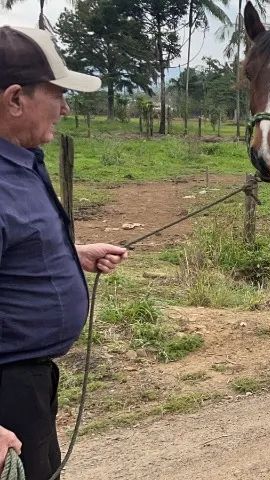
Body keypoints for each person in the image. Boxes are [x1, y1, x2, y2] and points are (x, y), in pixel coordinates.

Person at [0, 25, 129, 479]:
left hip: (28, 383)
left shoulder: (19, 160)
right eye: (57, 94)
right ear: (15, 99)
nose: (66, 108)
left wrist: (72, 254)